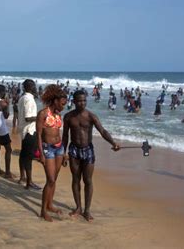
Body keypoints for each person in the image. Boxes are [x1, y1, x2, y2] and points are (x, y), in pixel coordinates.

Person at [62, 90, 120, 222]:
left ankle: (87, 210)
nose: (82, 103)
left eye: (84, 100)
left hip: (88, 150)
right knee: (76, 179)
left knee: (88, 180)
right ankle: (78, 207)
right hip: (74, 151)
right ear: (74, 101)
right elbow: (65, 136)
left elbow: (102, 131)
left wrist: (113, 143)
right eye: (79, 101)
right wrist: (63, 153)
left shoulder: (91, 116)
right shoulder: (68, 117)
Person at [36, 84, 67, 221]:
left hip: (59, 148)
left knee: (55, 179)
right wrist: (41, 154)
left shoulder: (58, 115)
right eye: (62, 103)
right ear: (55, 101)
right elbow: (38, 135)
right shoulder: (43, 113)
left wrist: (64, 152)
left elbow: (59, 133)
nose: (64, 106)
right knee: (50, 179)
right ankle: (43, 210)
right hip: (47, 148)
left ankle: (50, 204)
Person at [17, 79, 39, 189]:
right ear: (31, 87)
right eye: (34, 86)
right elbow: (28, 117)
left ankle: (22, 177)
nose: (36, 88)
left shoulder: (22, 98)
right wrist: (40, 117)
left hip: (23, 130)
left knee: (23, 155)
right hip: (30, 131)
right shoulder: (29, 99)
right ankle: (29, 181)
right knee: (29, 157)